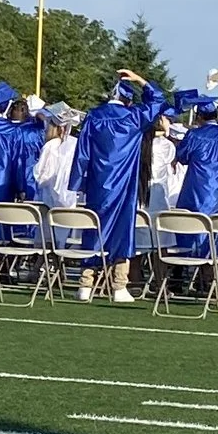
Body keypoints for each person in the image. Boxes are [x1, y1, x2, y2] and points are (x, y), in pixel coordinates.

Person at [70, 70, 164, 300]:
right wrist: (140, 80)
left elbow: (82, 153)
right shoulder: (133, 117)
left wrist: (78, 183)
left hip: (97, 184)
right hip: (123, 185)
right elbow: (159, 100)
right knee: (122, 231)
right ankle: (119, 285)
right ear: (128, 100)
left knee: (94, 230)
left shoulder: (94, 116)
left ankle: (85, 284)